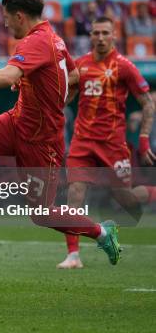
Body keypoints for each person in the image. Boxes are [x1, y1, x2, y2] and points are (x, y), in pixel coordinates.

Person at [0, 0, 122, 266]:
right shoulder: (54, 39)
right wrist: (44, 93)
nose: (4, 22)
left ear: (20, 16)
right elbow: (73, 77)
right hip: (17, 121)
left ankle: (101, 232)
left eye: (6, 16)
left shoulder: (35, 42)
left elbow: (10, 73)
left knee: (42, 215)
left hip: (42, 141)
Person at [57, 16, 155, 269]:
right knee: (75, 194)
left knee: (126, 198)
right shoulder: (81, 65)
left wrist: (143, 140)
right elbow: (66, 98)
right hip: (82, 141)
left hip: (112, 144)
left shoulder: (125, 67)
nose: (100, 37)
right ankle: (73, 255)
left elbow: (147, 103)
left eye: (105, 33)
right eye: (95, 33)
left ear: (114, 36)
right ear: (89, 36)